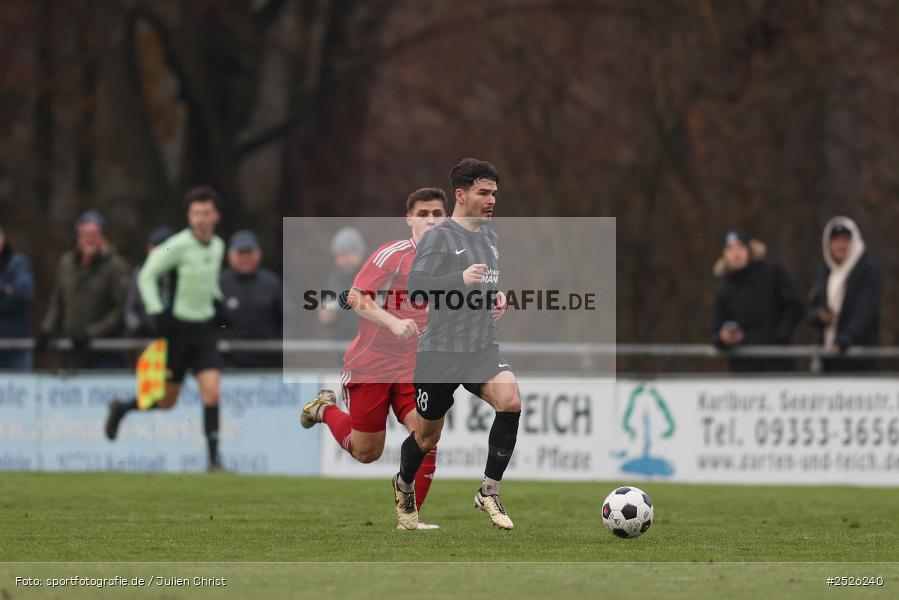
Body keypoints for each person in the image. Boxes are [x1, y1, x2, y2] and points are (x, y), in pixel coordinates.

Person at [301, 188, 447, 530]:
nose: (431, 219)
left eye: (437, 213)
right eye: (423, 213)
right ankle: (324, 409)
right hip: (373, 363)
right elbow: (355, 296)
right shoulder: (392, 255)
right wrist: (394, 323)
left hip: (414, 367)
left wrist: (493, 302)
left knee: (427, 436)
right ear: (409, 219)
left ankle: (409, 517)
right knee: (367, 452)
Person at [390, 158, 519, 531]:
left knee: (510, 400)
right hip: (440, 353)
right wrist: (458, 278)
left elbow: (484, 286)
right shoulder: (439, 237)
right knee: (427, 438)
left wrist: (496, 299)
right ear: (461, 195)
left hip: (480, 349)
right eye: (483, 192)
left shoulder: (491, 238)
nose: (492, 199)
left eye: (494, 193)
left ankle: (488, 491)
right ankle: (403, 485)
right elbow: (416, 288)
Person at [104, 187, 230, 471]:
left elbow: (208, 282)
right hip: (178, 332)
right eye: (195, 213)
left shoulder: (219, 246)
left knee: (212, 392)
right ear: (188, 215)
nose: (199, 218)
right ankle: (122, 408)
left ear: (216, 216)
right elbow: (147, 274)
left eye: (205, 213)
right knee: (165, 402)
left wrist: (218, 302)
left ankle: (214, 461)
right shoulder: (177, 244)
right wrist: (156, 311)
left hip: (205, 330)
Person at [37, 210, 129, 369]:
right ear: (77, 237)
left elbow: (121, 310)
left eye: (94, 234)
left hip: (105, 351)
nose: (89, 239)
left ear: (103, 236)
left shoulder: (116, 266)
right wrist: (46, 330)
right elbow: (57, 303)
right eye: (84, 234)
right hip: (72, 349)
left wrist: (91, 333)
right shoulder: (66, 264)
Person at [711, 231, 803, 372]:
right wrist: (725, 338)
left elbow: (794, 306)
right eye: (730, 249)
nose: (736, 253)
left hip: (778, 364)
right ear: (724, 254)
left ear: (749, 249)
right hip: (743, 369)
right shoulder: (723, 288)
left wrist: (779, 339)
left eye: (740, 247)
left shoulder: (771, 273)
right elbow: (716, 331)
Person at [807, 217, 882, 372]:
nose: (840, 246)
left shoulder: (868, 271)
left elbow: (865, 313)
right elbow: (811, 309)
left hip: (858, 361)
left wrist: (844, 340)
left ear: (854, 242)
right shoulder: (825, 271)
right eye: (835, 240)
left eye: (845, 240)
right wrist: (821, 316)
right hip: (827, 360)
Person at [219, 230, 283, 368]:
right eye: (241, 253)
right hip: (229, 365)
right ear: (230, 255)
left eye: (249, 253)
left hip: (269, 365)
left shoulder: (272, 282)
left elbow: (288, 319)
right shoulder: (220, 284)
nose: (245, 258)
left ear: (258, 254)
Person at [125, 226, 175, 336]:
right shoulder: (139, 273)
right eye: (151, 248)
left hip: (176, 337)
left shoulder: (178, 274)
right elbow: (131, 309)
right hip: (146, 339)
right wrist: (138, 326)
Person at [319, 227, 365, 342]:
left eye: (345, 255)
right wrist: (326, 315)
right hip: (342, 347)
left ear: (358, 253)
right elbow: (327, 316)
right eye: (338, 256)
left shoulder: (372, 274)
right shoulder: (335, 278)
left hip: (368, 346)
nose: (340, 261)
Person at [0, 225, 35, 370]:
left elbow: (23, 294)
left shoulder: (18, 263)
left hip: (16, 345)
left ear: (3, 238)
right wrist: (5, 289)